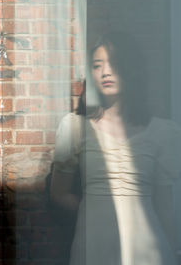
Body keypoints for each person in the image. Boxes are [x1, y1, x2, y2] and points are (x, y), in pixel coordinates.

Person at [51, 32, 181, 264]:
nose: (106, 72)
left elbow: (164, 206)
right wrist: (95, 211)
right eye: (97, 65)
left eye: (114, 63)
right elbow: (59, 193)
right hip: (94, 243)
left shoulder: (161, 132)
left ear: (131, 68)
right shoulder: (74, 127)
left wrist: (174, 250)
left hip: (149, 250)